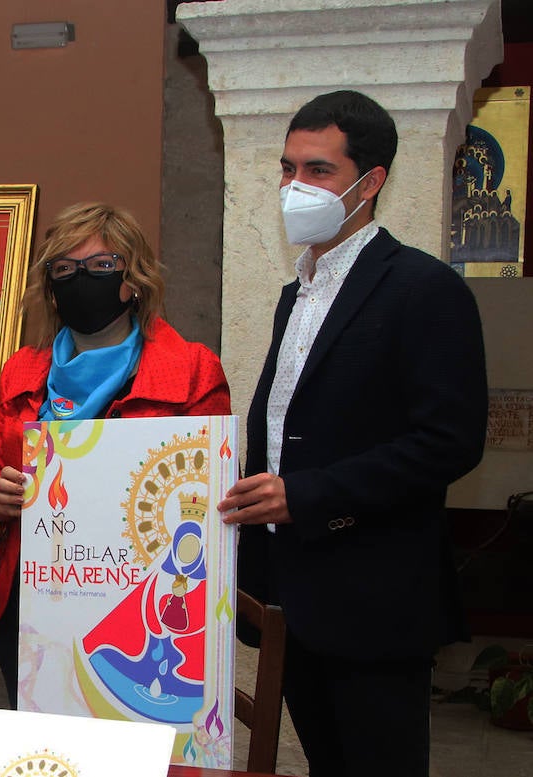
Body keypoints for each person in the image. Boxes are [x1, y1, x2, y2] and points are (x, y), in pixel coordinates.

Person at [218, 90, 487, 777]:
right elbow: (290, 427)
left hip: (376, 599)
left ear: (370, 183)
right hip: (292, 593)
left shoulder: (424, 289)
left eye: (318, 170)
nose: (295, 187)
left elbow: (450, 440)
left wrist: (306, 495)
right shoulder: (296, 294)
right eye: (288, 168)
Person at [0, 202, 230, 709]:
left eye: (102, 265)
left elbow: (212, 493)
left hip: (140, 604)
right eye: (65, 269)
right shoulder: (22, 370)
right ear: (50, 285)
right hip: (32, 597)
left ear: (135, 280)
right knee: (43, 740)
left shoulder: (192, 369)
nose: (82, 279)